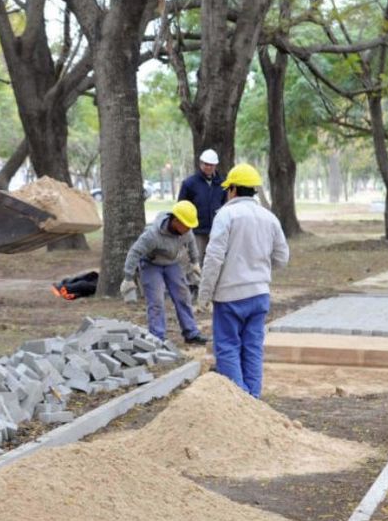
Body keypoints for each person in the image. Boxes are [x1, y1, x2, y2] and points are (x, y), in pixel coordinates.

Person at [199, 163, 290, 397]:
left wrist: (204, 295)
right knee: (253, 349)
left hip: (230, 297)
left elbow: (213, 258)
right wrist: (259, 271)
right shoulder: (269, 218)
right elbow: (282, 257)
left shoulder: (226, 215)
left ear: (233, 190)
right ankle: (253, 402)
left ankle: (240, 404)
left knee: (228, 348)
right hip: (259, 296)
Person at [120, 201, 208, 344]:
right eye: (186, 225)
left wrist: (195, 262)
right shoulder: (152, 235)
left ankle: (191, 333)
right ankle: (157, 337)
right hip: (151, 264)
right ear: (176, 221)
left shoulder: (186, 230)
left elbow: (191, 244)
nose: (189, 229)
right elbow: (134, 252)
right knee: (156, 301)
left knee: (183, 296)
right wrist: (128, 277)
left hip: (172, 263)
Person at [178, 149, 226, 262]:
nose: (208, 167)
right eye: (206, 164)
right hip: (197, 231)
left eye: (211, 165)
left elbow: (225, 205)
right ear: (200, 164)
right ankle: (197, 280)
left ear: (216, 165)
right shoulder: (189, 183)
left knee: (215, 260)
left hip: (216, 231)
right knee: (196, 260)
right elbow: (181, 206)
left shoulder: (222, 184)